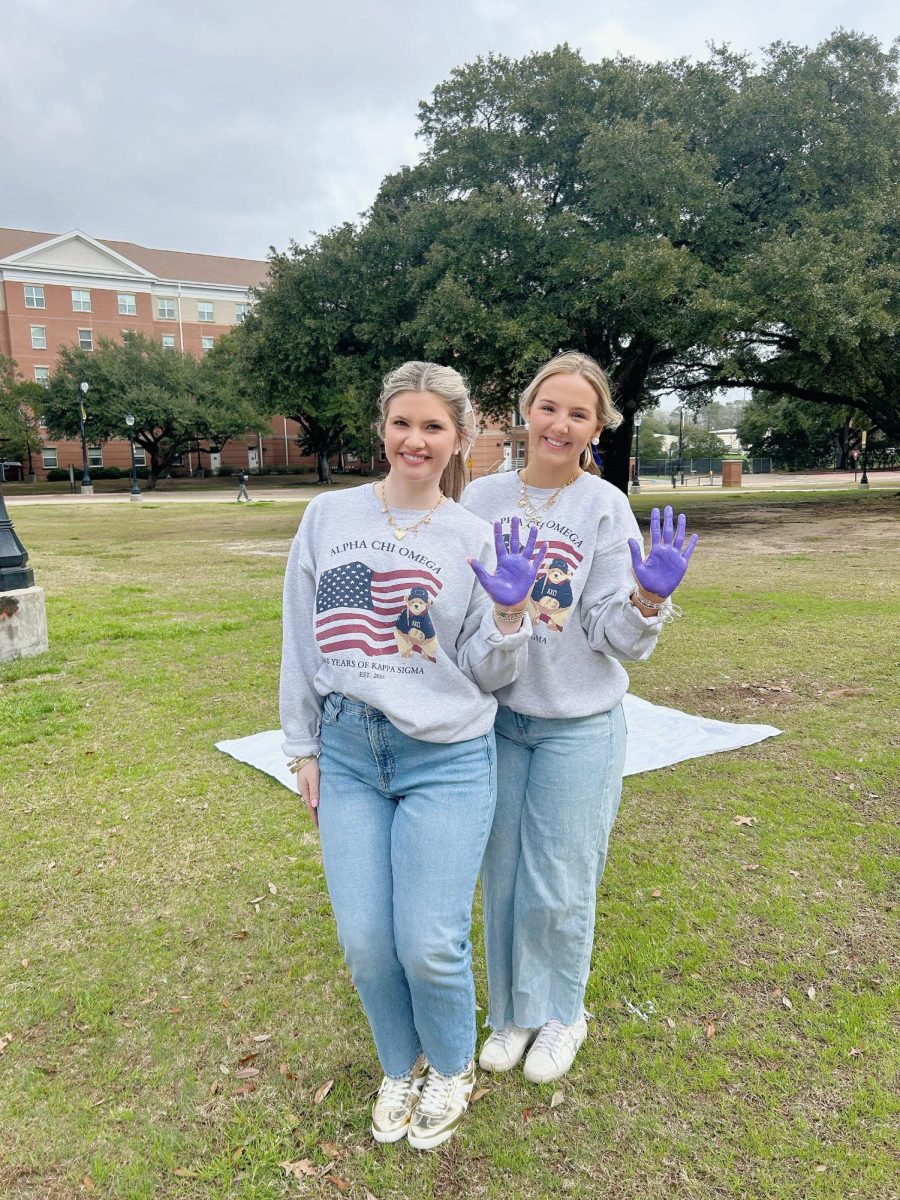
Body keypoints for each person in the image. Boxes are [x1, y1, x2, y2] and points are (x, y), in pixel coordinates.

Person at [280, 362, 544, 1149]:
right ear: (382, 428)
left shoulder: (474, 538)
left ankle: (452, 1067)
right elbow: (300, 639)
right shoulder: (327, 517)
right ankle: (402, 1063)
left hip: (446, 758)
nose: (415, 440)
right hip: (350, 749)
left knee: (428, 939)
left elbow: (493, 674)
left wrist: (508, 615)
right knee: (366, 940)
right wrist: (302, 748)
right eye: (403, 423)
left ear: (460, 438)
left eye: (433, 427)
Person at [461, 351, 697, 1084]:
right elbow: (460, 615)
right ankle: (513, 1014)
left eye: (579, 413)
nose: (560, 424)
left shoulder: (604, 508)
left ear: (597, 428)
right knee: (502, 874)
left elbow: (611, 634)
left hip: (578, 724)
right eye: (550, 407)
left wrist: (646, 602)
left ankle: (564, 1011)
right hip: (498, 723)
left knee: (560, 877)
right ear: (526, 413)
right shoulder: (479, 500)